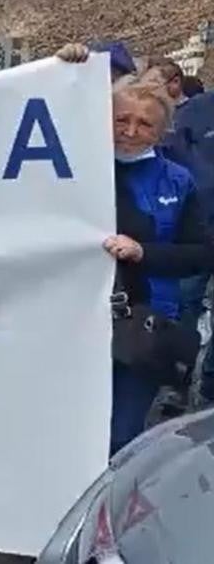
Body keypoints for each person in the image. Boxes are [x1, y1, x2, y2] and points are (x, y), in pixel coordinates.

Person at [105, 81, 214, 454]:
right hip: (78, 327)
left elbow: (199, 254)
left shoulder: (177, 180)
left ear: (163, 129)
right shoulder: (74, 173)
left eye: (145, 124)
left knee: (121, 435)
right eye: (121, 119)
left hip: (142, 328)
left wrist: (143, 252)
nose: (131, 132)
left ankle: (116, 510)